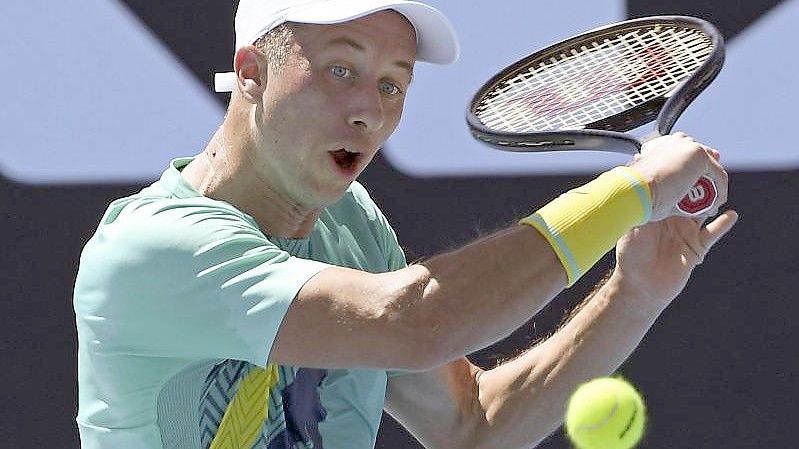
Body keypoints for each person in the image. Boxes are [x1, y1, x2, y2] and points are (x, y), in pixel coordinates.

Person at [73, 1, 738, 448]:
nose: (370, 109)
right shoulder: (153, 250)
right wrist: (629, 190)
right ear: (252, 72)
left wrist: (635, 293)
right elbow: (413, 322)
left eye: (393, 84)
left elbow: (470, 422)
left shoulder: (348, 224)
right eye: (342, 69)